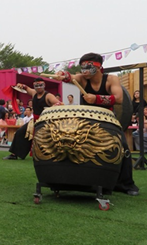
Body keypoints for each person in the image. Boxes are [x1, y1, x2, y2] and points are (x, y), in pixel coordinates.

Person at [57, 52, 139, 196]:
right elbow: (71, 77)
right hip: (87, 120)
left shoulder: (111, 79)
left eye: (88, 67)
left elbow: (119, 99)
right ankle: (75, 180)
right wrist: (63, 75)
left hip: (107, 119)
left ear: (99, 66)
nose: (85, 72)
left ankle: (126, 184)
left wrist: (96, 98)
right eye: (82, 68)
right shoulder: (82, 79)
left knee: (123, 148)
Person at [3, 78, 60, 160]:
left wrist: (54, 106)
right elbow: (26, 88)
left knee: (44, 138)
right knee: (20, 132)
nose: (39, 87)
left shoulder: (48, 95)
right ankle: (14, 154)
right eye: (36, 86)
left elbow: (60, 103)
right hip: (34, 121)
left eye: (41, 85)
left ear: (44, 86)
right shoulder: (34, 93)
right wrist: (20, 85)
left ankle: (49, 155)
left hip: (45, 122)